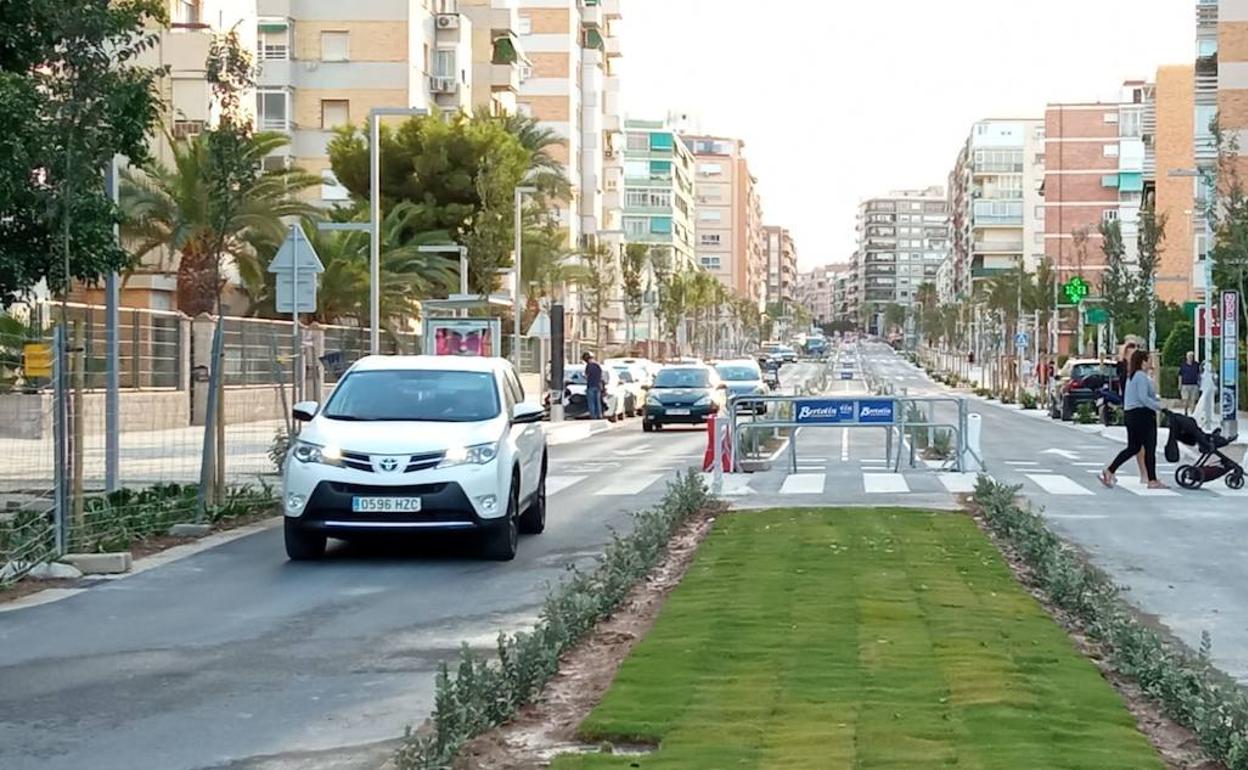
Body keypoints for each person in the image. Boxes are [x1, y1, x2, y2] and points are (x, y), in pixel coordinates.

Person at [1101, 349, 1166, 490]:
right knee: (1149, 447)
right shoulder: (1141, 376)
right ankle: (1152, 480)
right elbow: (1143, 398)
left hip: (1131, 414)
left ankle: (1110, 470)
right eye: (1149, 359)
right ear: (1143, 362)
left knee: (1133, 447)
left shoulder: (1132, 376)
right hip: (1142, 415)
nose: (1151, 361)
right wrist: (1159, 407)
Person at [583, 351, 604, 420]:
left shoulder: (588, 366)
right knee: (598, 401)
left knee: (591, 402)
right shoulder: (597, 365)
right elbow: (601, 376)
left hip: (591, 385)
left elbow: (586, 376)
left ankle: (593, 416)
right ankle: (599, 415)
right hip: (598, 385)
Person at [1179, 351, 1201, 415]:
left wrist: (1199, 383)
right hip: (1185, 385)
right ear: (1186, 357)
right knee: (1185, 400)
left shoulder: (1196, 365)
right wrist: (1180, 385)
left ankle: (1192, 413)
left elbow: (1198, 374)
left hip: (1194, 384)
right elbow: (1180, 375)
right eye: (1189, 356)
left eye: (1191, 356)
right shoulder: (1183, 365)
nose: (1190, 357)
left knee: (1193, 400)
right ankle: (1185, 411)